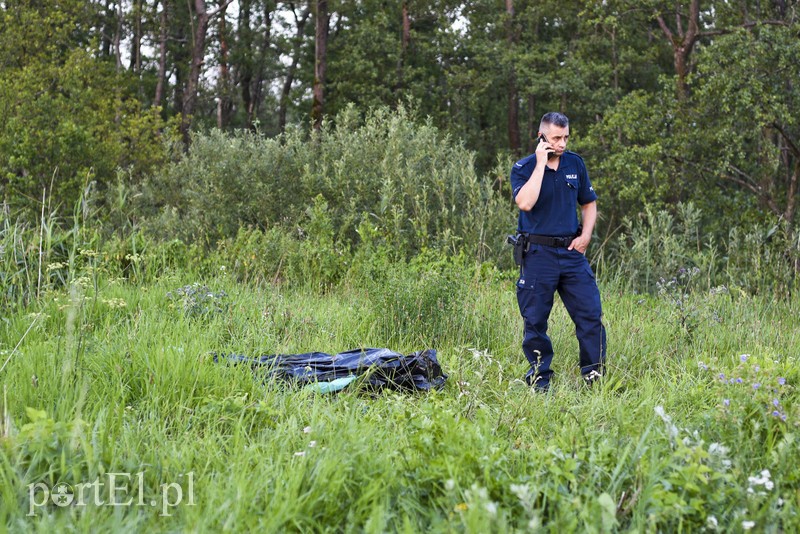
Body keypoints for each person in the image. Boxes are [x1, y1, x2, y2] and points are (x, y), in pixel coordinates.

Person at [509, 112, 606, 391]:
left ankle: (594, 377)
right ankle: (540, 380)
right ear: (541, 137)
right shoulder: (524, 167)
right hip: (538, 254)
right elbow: (525, 203)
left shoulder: (575, 163)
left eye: (565, 137)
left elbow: (588, 203)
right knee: (535, 319)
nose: (562, 144)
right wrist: (541, 163)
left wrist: (586, 235)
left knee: (590, 313)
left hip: (572, 252)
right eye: (555, 138)